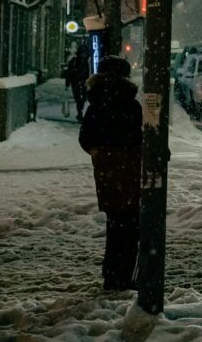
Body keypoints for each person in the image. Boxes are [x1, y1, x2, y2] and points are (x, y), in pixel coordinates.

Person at [79, 56, 142, 291]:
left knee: (115, 222)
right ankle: (124, 275)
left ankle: (111, 274)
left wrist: (99, 153)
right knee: (131, 224)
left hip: (106, 171)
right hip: (129, 168)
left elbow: (85, 138)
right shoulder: (131, 104)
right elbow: (140, 136)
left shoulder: (96, 104)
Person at [64, 44, 90, 120]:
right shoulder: (75, 61)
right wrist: (67, 83)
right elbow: (69, 73)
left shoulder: (85, 62)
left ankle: (80, 112)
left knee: (82, 99)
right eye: (82, 53)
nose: (83, 55)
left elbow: (86, 73)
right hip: (75, 82)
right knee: (79, 98)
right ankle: (80, 113)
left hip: (82, 82)